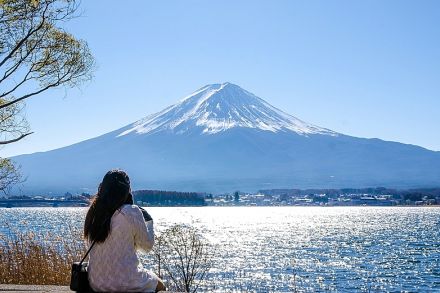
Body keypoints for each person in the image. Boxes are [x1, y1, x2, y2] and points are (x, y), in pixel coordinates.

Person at [83, 169, 166, 292]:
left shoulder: (94, 213)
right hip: (127, 282)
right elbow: (146, 247)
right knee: (161, 286)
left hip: (96, 283)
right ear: (127, 191)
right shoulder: (130, 211)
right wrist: (148, 221)